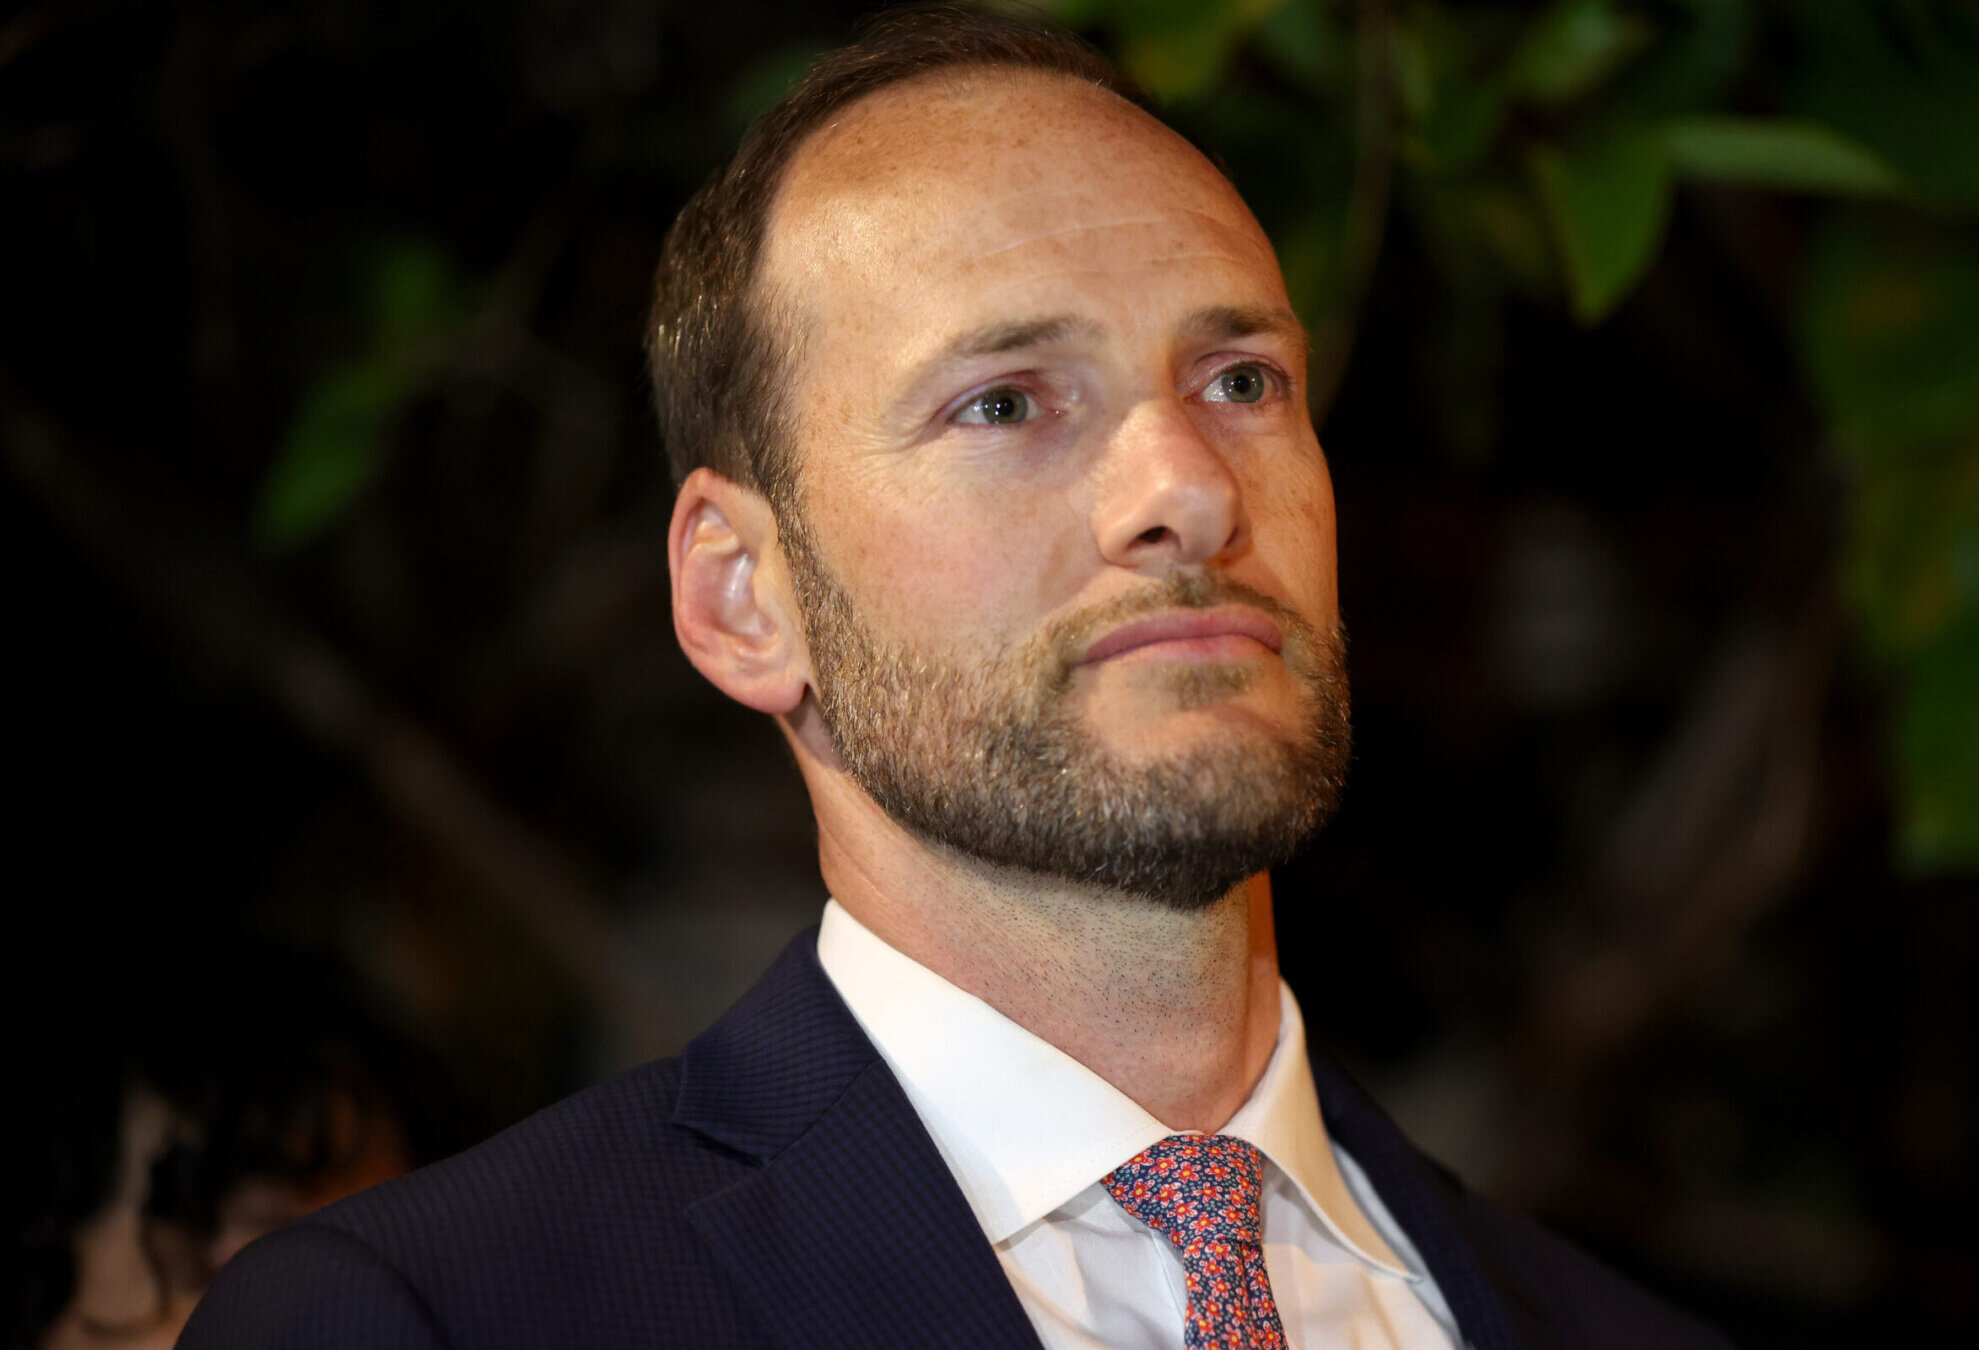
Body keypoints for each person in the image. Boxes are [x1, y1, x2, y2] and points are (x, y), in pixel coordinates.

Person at [179, 8, 1729, 1348]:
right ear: (741, 595)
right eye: (1004, 403)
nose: (1184, 485)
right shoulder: (443, 1318)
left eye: (1240, 379)